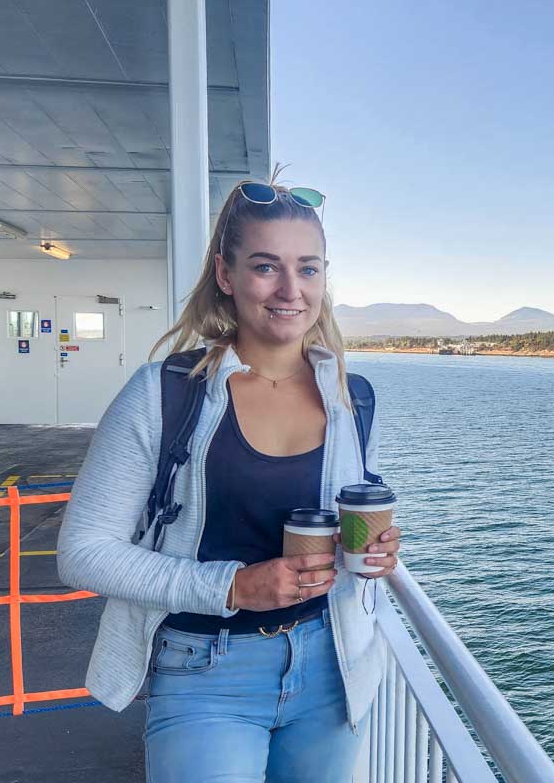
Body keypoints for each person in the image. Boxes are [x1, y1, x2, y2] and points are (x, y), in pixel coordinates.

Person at [57, 177, 401, 782]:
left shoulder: (352, 398)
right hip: (204, 672)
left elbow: (339, 528)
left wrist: (374, 551)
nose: (291, 290)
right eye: (266, 267)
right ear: (225, 273)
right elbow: (83, 553)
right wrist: (234, 587)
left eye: (309, 269)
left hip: (331, 664)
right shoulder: (163, 393)